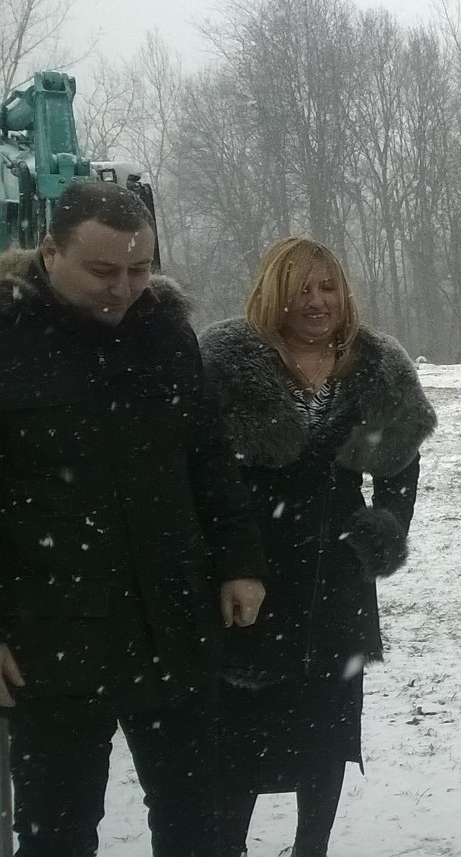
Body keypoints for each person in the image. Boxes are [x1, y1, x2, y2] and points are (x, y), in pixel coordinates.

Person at [0, 180, 267, 856]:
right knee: (56, 835)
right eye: (102, 271)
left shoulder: (166, 333)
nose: (122, 288)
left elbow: (208, 459)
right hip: (49, 637)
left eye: (139, 269)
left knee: (200, 827)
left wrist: (239, 561)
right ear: (51, 252)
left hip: (173, 622)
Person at [199, 236, 435, 857]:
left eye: (327, 287)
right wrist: (225, 558)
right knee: (236, 745)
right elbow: (200, 470)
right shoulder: (228, 364)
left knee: (325, 740)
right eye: (300, 289)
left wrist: (385, 527)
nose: (316, 302)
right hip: (250, 576)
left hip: (335, 580)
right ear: (272, 295)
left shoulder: (374, 365)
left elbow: (401, 463)